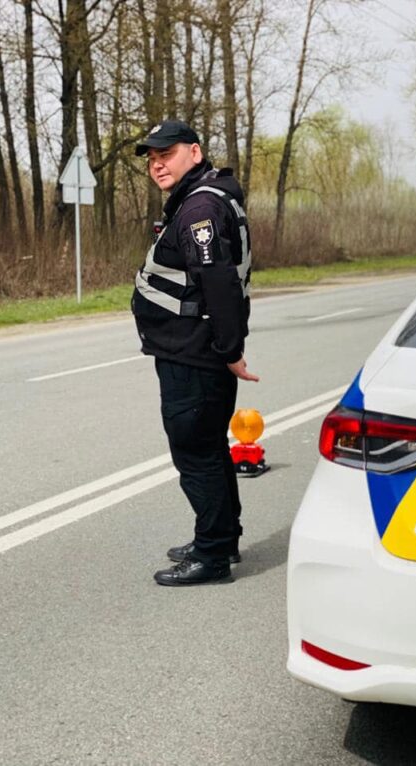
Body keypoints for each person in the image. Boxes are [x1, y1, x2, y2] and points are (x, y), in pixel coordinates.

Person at [131, 119, 258, 586]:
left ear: (195, 152)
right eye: (151, 157)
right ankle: (221, 537)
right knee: (211, 450)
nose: (157, 163)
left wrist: (230, 350)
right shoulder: (206, 197)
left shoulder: (199, 208)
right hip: (195, 350)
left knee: (196, 454)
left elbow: (218, 284)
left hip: (194, 354)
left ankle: (211, 555)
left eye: (167, 153)